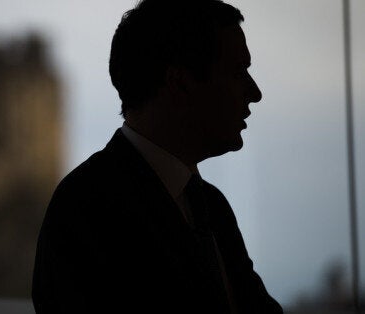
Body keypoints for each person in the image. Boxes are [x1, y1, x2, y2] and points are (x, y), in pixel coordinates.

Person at [32, 0, 283, 313]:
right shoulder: (85, 206)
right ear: (179, 83)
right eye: (237, 72)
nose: (254, 91)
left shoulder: (213, 207)